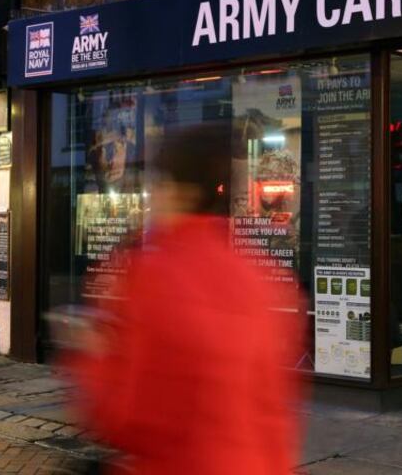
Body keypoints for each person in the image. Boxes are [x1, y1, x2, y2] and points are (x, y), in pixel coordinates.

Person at [62, 122, 304, 474]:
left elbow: (124, 414)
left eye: (156, 185)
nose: (151, 198)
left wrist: (91, 356)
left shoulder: (153, 275)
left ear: (176, 190)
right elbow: (275, 412)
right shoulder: (260, 277)